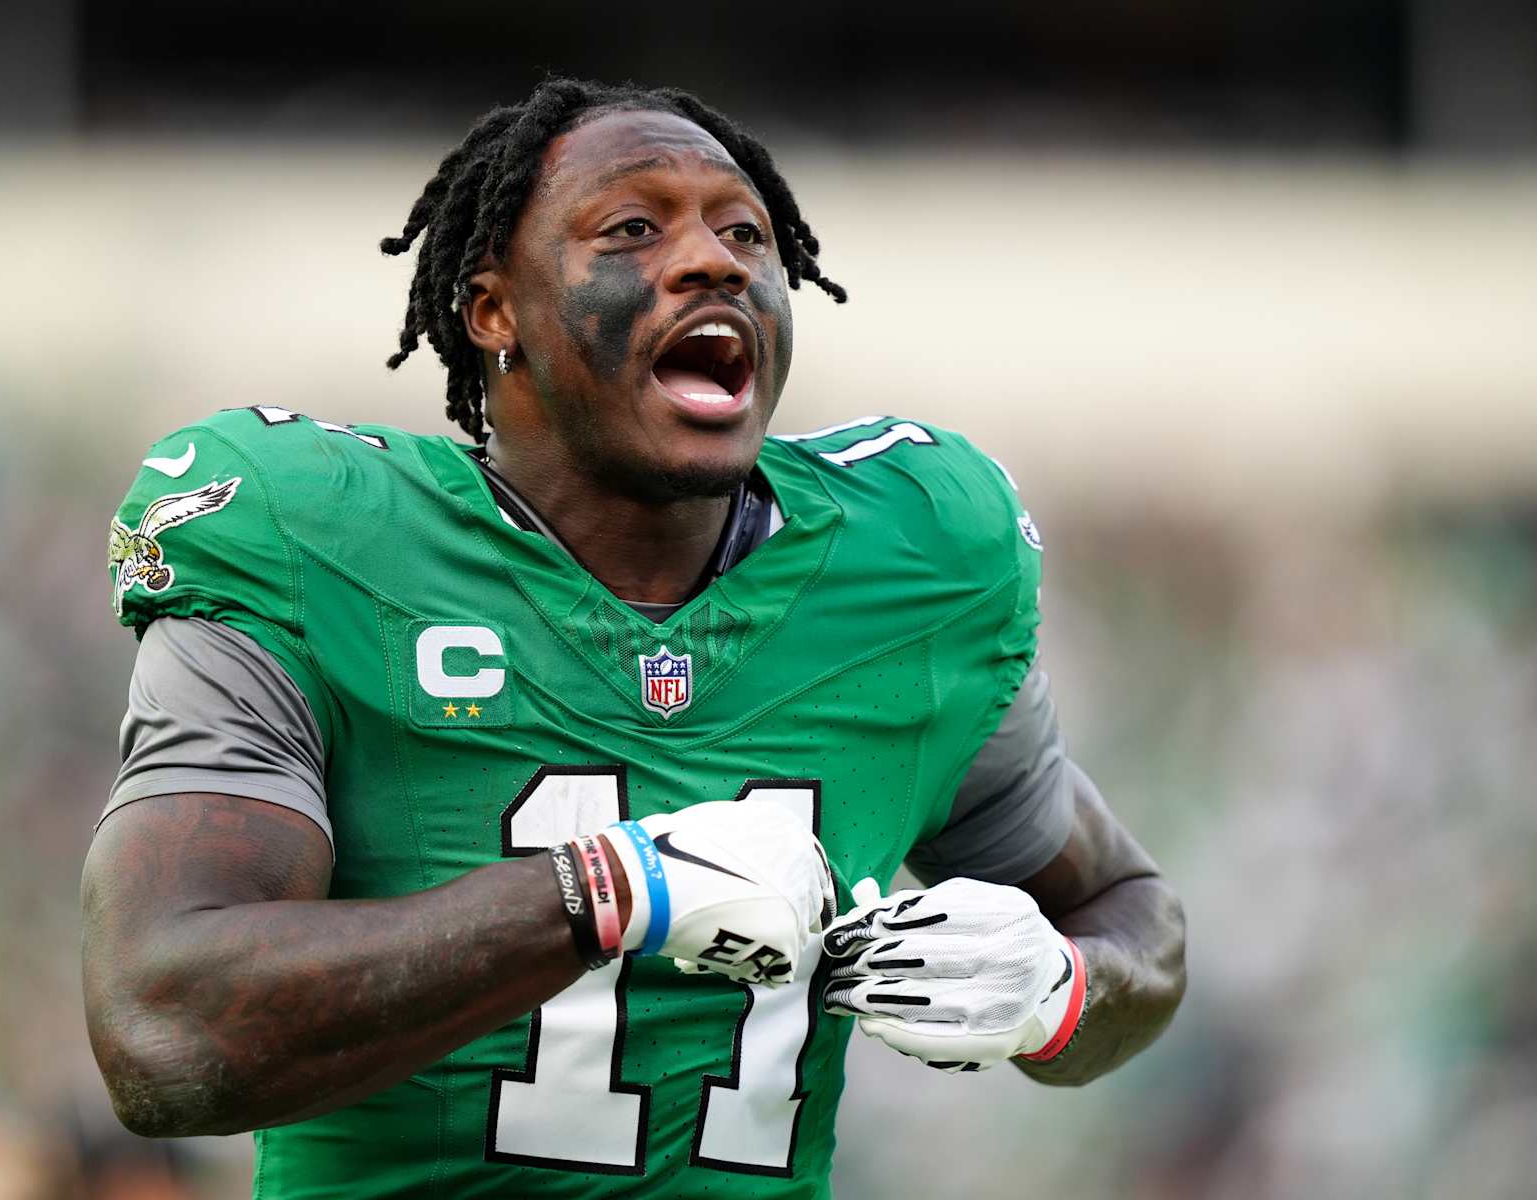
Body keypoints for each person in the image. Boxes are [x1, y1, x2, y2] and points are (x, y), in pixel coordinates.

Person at [81, 77, 1187, 1198]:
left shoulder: (918, 559)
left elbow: (1133, 922)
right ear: (491, 309)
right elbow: (163, 1032)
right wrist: (608, 890)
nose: (717, 261)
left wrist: (1058, 993)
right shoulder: (311, 535)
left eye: (745, 232)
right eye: (631, 229)